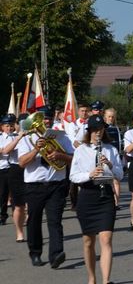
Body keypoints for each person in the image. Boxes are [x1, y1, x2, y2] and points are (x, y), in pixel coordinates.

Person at [18, 105, 74, 268]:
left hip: (56, 185)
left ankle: (56, 254)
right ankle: (35, 253)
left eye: (49, 117)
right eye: (44, 118)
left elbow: (74, 158)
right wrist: (37, 149)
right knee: (34, 220)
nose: (47, 121)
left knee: (55, 220)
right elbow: (22, 163)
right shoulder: (28, 138)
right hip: (34, 186)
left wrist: (60, 155)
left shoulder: (62, 137)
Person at [70, 114, 123, 284]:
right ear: (89, 131)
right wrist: (89, 174)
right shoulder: (81, 150)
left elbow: (120, 175)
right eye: (95, 130)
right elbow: (73, 176)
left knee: (106, 239)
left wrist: (109, 165)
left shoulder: (111, 150)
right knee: (88, 241)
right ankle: (92, 278)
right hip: (87, 195)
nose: (98, 133)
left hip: (105, 195)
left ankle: (106, 281)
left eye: (101, 129)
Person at [1, 113, 27, 241]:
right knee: (16, 203)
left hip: (27, 169)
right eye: (7, 125)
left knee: (29, 201)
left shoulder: (22, 135)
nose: (10, 128)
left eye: (12, 125)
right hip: (12, 169)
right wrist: (18, 139)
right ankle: (18, 231)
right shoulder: (7, 137)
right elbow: (5, 151)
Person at [104, 108, 122, 210]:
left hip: (115, 156)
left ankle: (116, 202)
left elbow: (119, 143)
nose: (111, 118)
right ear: (105, 117)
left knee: (116, 180)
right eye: (109, 116)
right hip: (105, 155)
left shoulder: (116, 129)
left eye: (112, 117)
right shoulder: (103, 128)